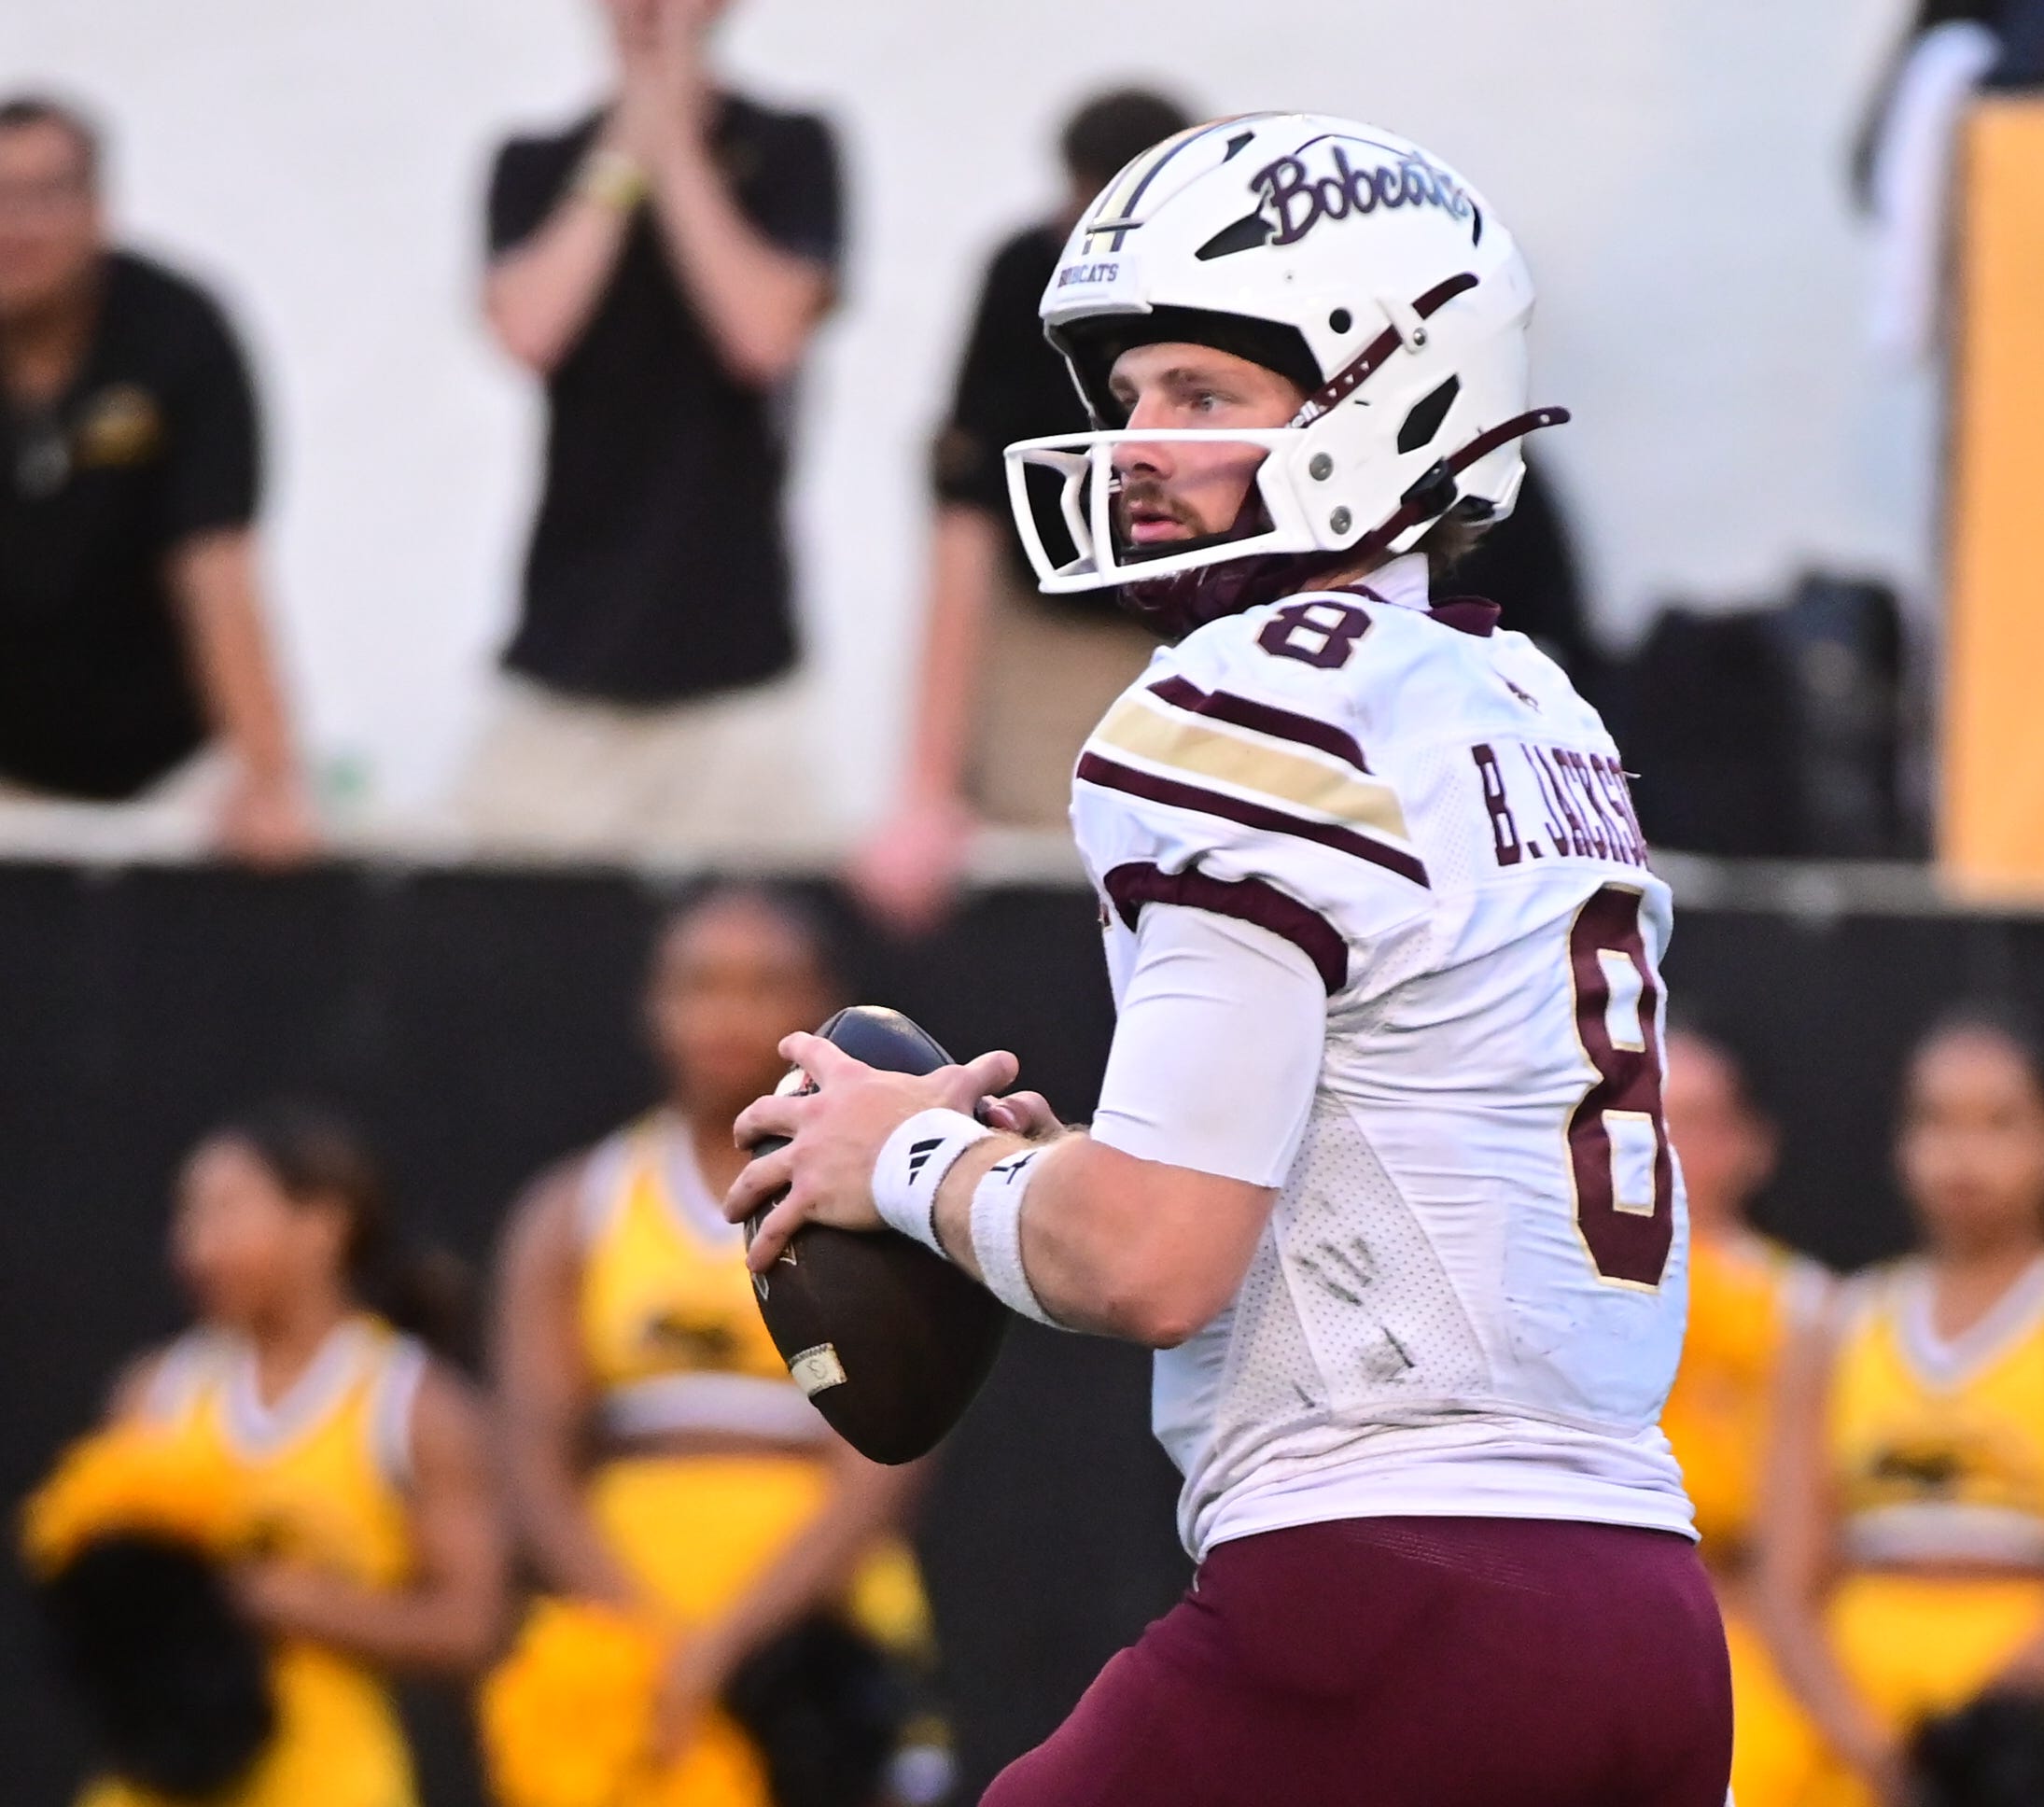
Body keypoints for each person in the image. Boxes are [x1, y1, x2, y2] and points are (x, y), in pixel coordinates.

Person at [730, 114, 1730, 1804]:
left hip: (1389, 1595)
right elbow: (1388, 1142)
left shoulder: (1245, 700)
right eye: (1132, 396)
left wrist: (898, 1160)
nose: (1138, 446)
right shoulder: (1527, 701)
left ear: (1390, 396)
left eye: (1203, 394)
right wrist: (1040, 1172)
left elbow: (1152, 1265)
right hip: (1642, 1612)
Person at [491, 887, 931, 1786]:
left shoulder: (879, 1204)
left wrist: (731, 1642)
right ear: (654, 1006)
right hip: (624, 1634)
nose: (728, 1015)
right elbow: (535, 1461)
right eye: (700, 985)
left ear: (822, 1009)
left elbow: (886, 1464)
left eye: (762, 986)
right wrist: (656, 1639)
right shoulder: (574, 1209)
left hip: (823, 1641)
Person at [1756, 1003, 2044, 1807]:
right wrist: (1879, 1749)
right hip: (1850, 1727)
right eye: (1935, 1121)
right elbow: (1784, 1585)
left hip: (2043, 1725)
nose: (1960, 1154)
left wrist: (1983, 1734)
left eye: (1999, 1123)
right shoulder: (1838, 1326)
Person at [468, 0, 843, 857]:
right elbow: (529, 328)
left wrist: (672, 142)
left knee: (757, 917)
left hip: (738, 653)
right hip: (567, 645)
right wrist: (625, 151)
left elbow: (762, 335)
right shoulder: (537, 162)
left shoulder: (790, 148)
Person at [79, 1103, 505, 1807]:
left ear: (323, 1225)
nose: (195, 1248)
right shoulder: (155, 1394)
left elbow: (472, 1627)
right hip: (157, 1782)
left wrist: (291, 1603)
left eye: (226, 1214)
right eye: (187, 1218)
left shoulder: (411, 1405)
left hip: (330, 1783)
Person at [851, 86, 1191, 934]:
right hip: (1053, 636)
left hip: (1195, 629)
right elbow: (967, 517)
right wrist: (926, 788)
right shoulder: (1025, 278)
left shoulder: (1235, 289)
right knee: (1058, 891)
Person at [0, 94, 316, 864]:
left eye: (44, 195)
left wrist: (269, 776)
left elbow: (216, 567)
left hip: (171, 768)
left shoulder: (176, 333)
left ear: (98, 207)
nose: (17, 228)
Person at [1656, 1027, 1838, 1807]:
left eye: (1695, 1121)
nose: (1667, 1145)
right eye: (1649, 1113)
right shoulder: (1548, 1286)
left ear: (1752, 1145)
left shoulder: (1813, 1309)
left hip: (1754, 1634)